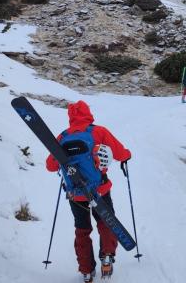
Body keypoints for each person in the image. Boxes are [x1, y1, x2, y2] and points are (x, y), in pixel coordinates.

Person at [45, 100, 131, 283]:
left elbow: (50, 166)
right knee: (106, 222)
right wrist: (127, 155)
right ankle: (107, 258)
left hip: (75, 194)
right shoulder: (98, 131)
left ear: (70, 116)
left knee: (82, 229)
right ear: (87, 113)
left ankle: (86, 270)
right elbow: (119, 153)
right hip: (99, 190)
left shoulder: (62, 137)